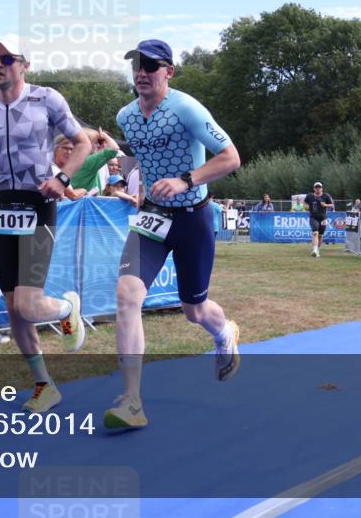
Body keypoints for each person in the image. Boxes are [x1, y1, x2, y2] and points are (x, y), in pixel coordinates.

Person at [0, 38, 91, 413]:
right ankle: (44, 385)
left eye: (7, 58)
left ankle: (67, 308)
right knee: (13, 307)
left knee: (28, 304)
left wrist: (62, 178)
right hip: (2, 205)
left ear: (24, 65)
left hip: (38, 202)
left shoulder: (47, 99)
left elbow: (82, 143)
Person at [103, 39, 242, 430]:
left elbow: (231, 157)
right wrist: (143, 186)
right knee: (127, 295)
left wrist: (186, 180)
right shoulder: (126, 116)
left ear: (169, 72)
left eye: (151, 66)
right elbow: (145, 156)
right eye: (137, 65)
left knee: (194, 311)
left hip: (193, 218)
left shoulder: (186, 108)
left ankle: (224, 332)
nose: (142, 72)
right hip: (153, 218)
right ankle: (132, 400)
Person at [304, 181, 334, 258]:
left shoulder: (326, 196)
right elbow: (305, 203)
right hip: (313, 217)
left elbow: (332, 205)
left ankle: (317, 250)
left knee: (320, 235)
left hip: (323, 218)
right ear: (314, 189)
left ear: (322, 188)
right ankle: (314, 250)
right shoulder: (309, 196)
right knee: (315, 233)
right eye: (316, 187)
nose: (318, 189)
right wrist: (306, 206)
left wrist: (325, 205)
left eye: (319, 187)